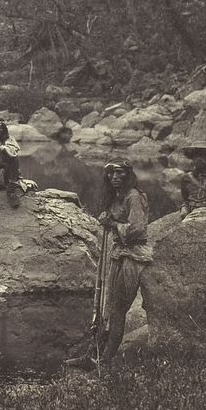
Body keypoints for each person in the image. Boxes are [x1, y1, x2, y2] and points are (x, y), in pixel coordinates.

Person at [66, 159, 152, 370]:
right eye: (111, 174)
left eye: (119, 173)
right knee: (103, 306)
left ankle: (104, 360)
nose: (114, 177)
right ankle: (92, 354)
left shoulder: (134, 196)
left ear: (128, 175)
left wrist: (112, 223)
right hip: (116, 254)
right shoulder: (116, 196)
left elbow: (137, 229)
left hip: (133, 256)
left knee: (117, 310)